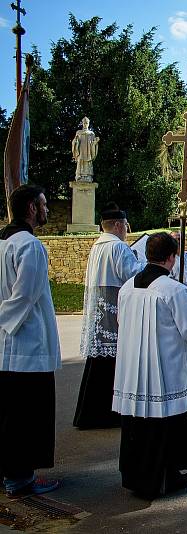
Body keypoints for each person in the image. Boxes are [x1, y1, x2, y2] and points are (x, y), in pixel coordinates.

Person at [113, 232, 187, 499]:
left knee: (137, 425)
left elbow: (120, 323)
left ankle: (135, 476)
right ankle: (165, 476)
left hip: (132, 370)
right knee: (165, 426)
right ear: (172, 258)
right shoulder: (174, 290)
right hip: (165, 370)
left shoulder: (127, 287)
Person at [0, 185, 61, 497]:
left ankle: (9, 471)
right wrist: (5, 323)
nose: (47, 210)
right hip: (25, 346)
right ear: (32, 209)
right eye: (44, 204)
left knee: (9, 414)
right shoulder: (30, 246)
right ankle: (20, 478)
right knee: (25, 417)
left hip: (5, 347)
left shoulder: (3, 242)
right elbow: (25, 295)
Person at [74, 203, 145, 430]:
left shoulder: (98, 245)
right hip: (112, 310)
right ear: (116, 225)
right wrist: (140, 258)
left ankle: (89, 412)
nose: (126, 229)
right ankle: (105, 413)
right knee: (110, 363)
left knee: (99, 363)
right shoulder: (117, 246)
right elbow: (131, 273)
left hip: (100, 308)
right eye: (125, 225)